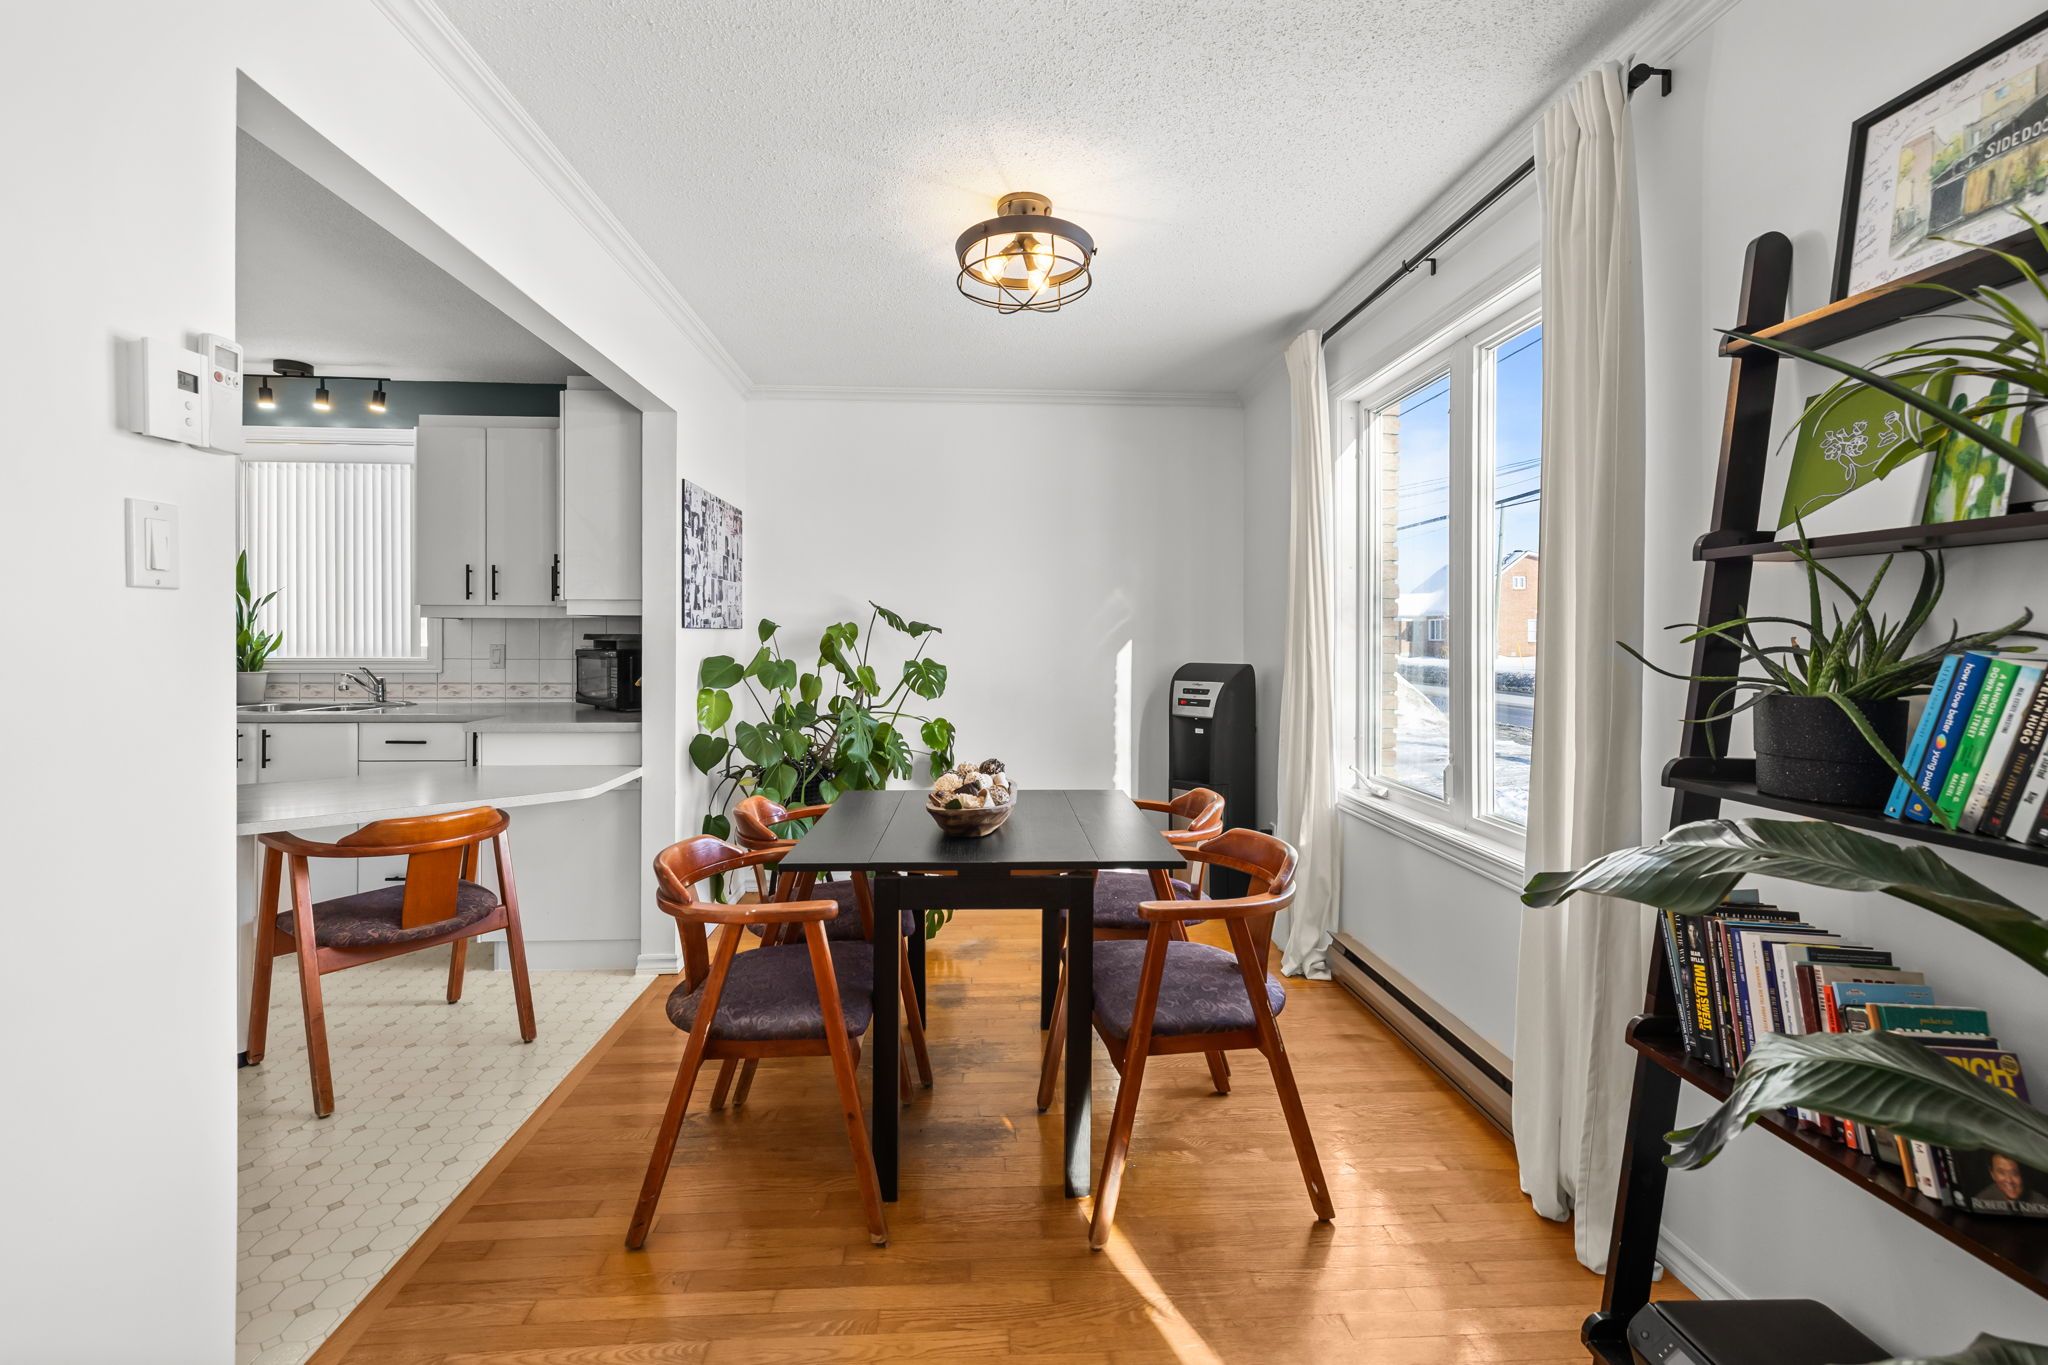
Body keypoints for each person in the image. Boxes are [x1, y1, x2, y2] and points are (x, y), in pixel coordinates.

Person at [1974, 1152, 2046, 1208]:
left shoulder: (2043, 1204)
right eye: (2001, 1172)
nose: (2009, 1180)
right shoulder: (1981, 1201)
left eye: (2015, 1173)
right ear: (1992, 1174)